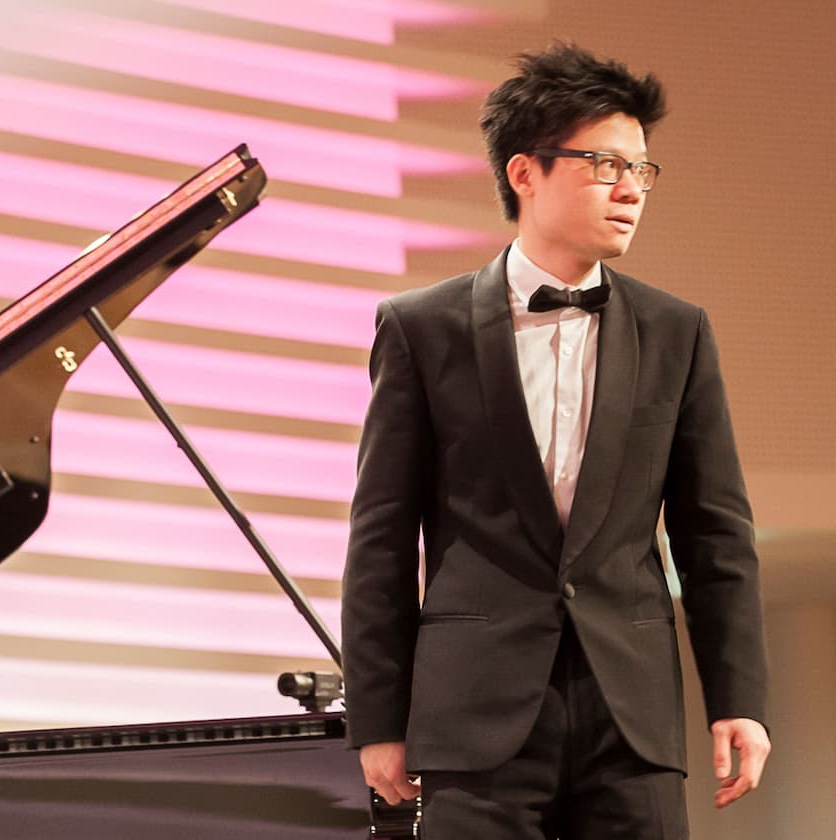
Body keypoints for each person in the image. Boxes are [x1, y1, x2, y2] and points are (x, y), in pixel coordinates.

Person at [340, 43, 770, 837]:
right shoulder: (419, 328)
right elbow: (382, 538)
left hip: (630, 720)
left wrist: (738, 699)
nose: (631, 190)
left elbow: (716, 535)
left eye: (642, 170)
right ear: (524, 173)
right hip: (475, 721)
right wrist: (379, 717)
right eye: (604, 164)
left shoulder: (678, 331)